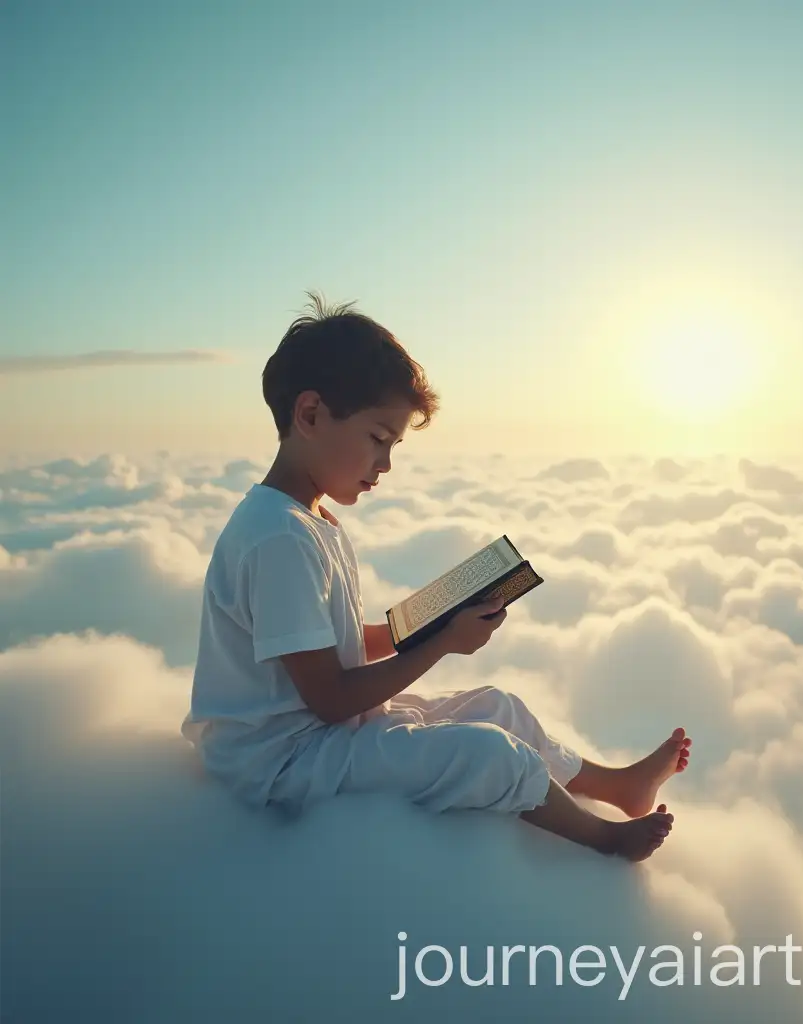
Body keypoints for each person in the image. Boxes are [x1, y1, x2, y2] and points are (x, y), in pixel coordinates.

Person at [181, 292, 692, 862]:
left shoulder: (310, 519)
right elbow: (327, 697)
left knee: (499, 707)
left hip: (326, 733)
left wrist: (426, 619)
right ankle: (604, 839)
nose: (386, 465)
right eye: (378, 439)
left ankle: (615, 787)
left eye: (393, 445)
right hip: (282, 760)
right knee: (488, 753)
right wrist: (444, 644)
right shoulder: (278, 537)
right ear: (310, 415)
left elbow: (336, 652)